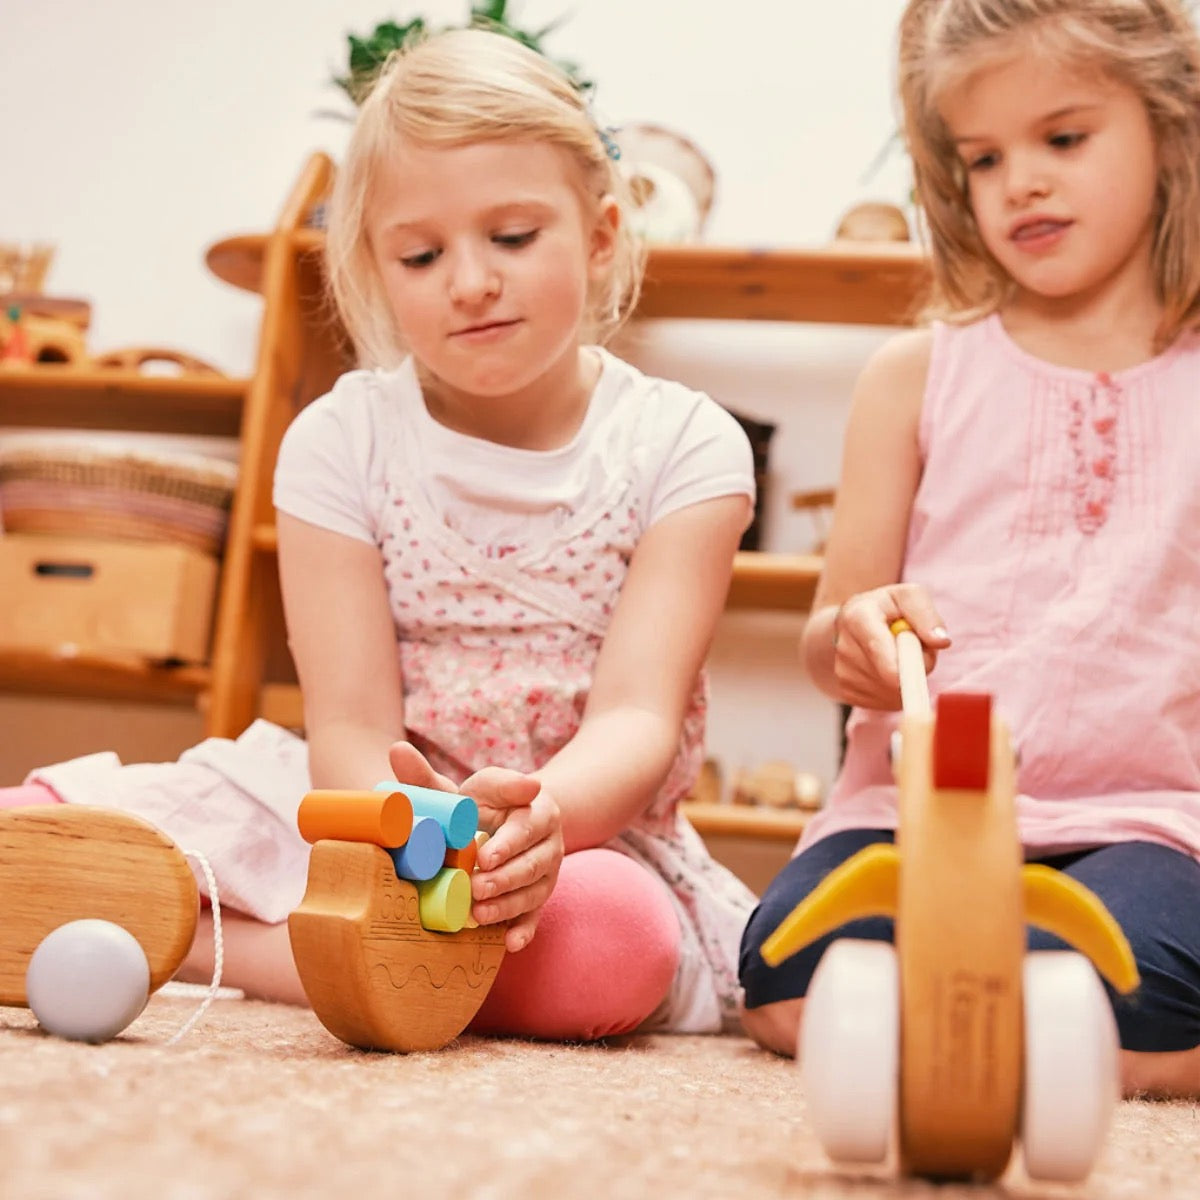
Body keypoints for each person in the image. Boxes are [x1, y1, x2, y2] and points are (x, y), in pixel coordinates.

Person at [2, 28, 758, 1040]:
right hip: (366, 815)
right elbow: (352, 727)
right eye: (421, 253)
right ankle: (309, 942)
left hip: (573, 839)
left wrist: (533, 826)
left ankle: (189, 940)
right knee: (32, 827)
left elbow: (636, 720)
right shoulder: (340, 440)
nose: (471, 281)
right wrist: (412, 841)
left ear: (605, 234)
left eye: (515, 237)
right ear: (377, 267)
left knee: (617, 944)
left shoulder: (684, 445)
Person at [738, 0, 1200, 1099]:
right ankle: (1037, 1045)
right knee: (782, 969)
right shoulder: (912, 377)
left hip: (1146, 825)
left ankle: (1023, 1037)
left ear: (1171, 127)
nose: (1020, 183)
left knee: (1085, 977)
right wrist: (847, 639)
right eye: (983, 157)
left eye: (1063, 138)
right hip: (912, 819)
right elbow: (828, 630)